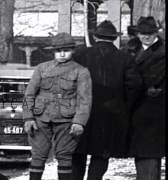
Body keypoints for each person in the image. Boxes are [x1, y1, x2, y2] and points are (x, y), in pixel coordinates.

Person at [71, 20, 143, 180]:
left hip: (81, 113)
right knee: (101, 154)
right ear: (113, 38)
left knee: (77, 153)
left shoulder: (80, 55)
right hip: (111, 114)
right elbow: (135, 86)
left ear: (95, 37)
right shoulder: (125, 58)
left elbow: (69, 82)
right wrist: (124, 106)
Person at [23, 32, 92, 180]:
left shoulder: (81, 71)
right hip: (41, 119)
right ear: (53, 51)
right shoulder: (42, 69)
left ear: (72, 51)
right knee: (38, 155)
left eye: (66, 50)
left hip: (66, 121)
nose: (62, 54)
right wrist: (28, 117)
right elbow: (29, 94)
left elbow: (84, 99)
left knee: (64, 155)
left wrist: (79, 122)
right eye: (58, 50)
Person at [129, 16, 165, 180]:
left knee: (149, 152)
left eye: (149, 33)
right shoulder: (131, 50)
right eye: (142, 33)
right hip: (135, 108)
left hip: (156, 109)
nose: (146, 36)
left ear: (156, 33)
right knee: (144, 153)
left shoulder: (163, 52)